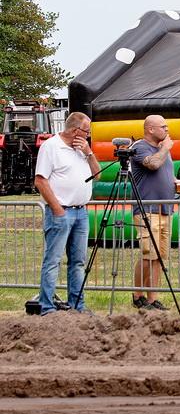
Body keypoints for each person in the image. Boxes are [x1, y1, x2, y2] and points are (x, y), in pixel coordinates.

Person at [34, 111, 100, 314]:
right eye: (86, 131)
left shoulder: (82, 149)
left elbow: (97, 175)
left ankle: (77, 306)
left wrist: (89, 152)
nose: (88, 135)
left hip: (81, 212)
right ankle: (46, 307)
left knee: (78, 262)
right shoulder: (51, 147)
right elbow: (40, 180)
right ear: (75, 130)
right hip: (61, 211)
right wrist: (57, 209)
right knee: (53, 260)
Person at [129, 114, 176, 311]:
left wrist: (175, 183)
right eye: (163, 127)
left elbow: (164, 173)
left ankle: (152, 298)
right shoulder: (140, 147)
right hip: (147, 210)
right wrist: (165, 148)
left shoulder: (163, 149)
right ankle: (137, 294)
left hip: (165, 209)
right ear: (150, 129)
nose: (167, 130)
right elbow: (153, 164)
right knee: (148, 254)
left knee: (159, 257)